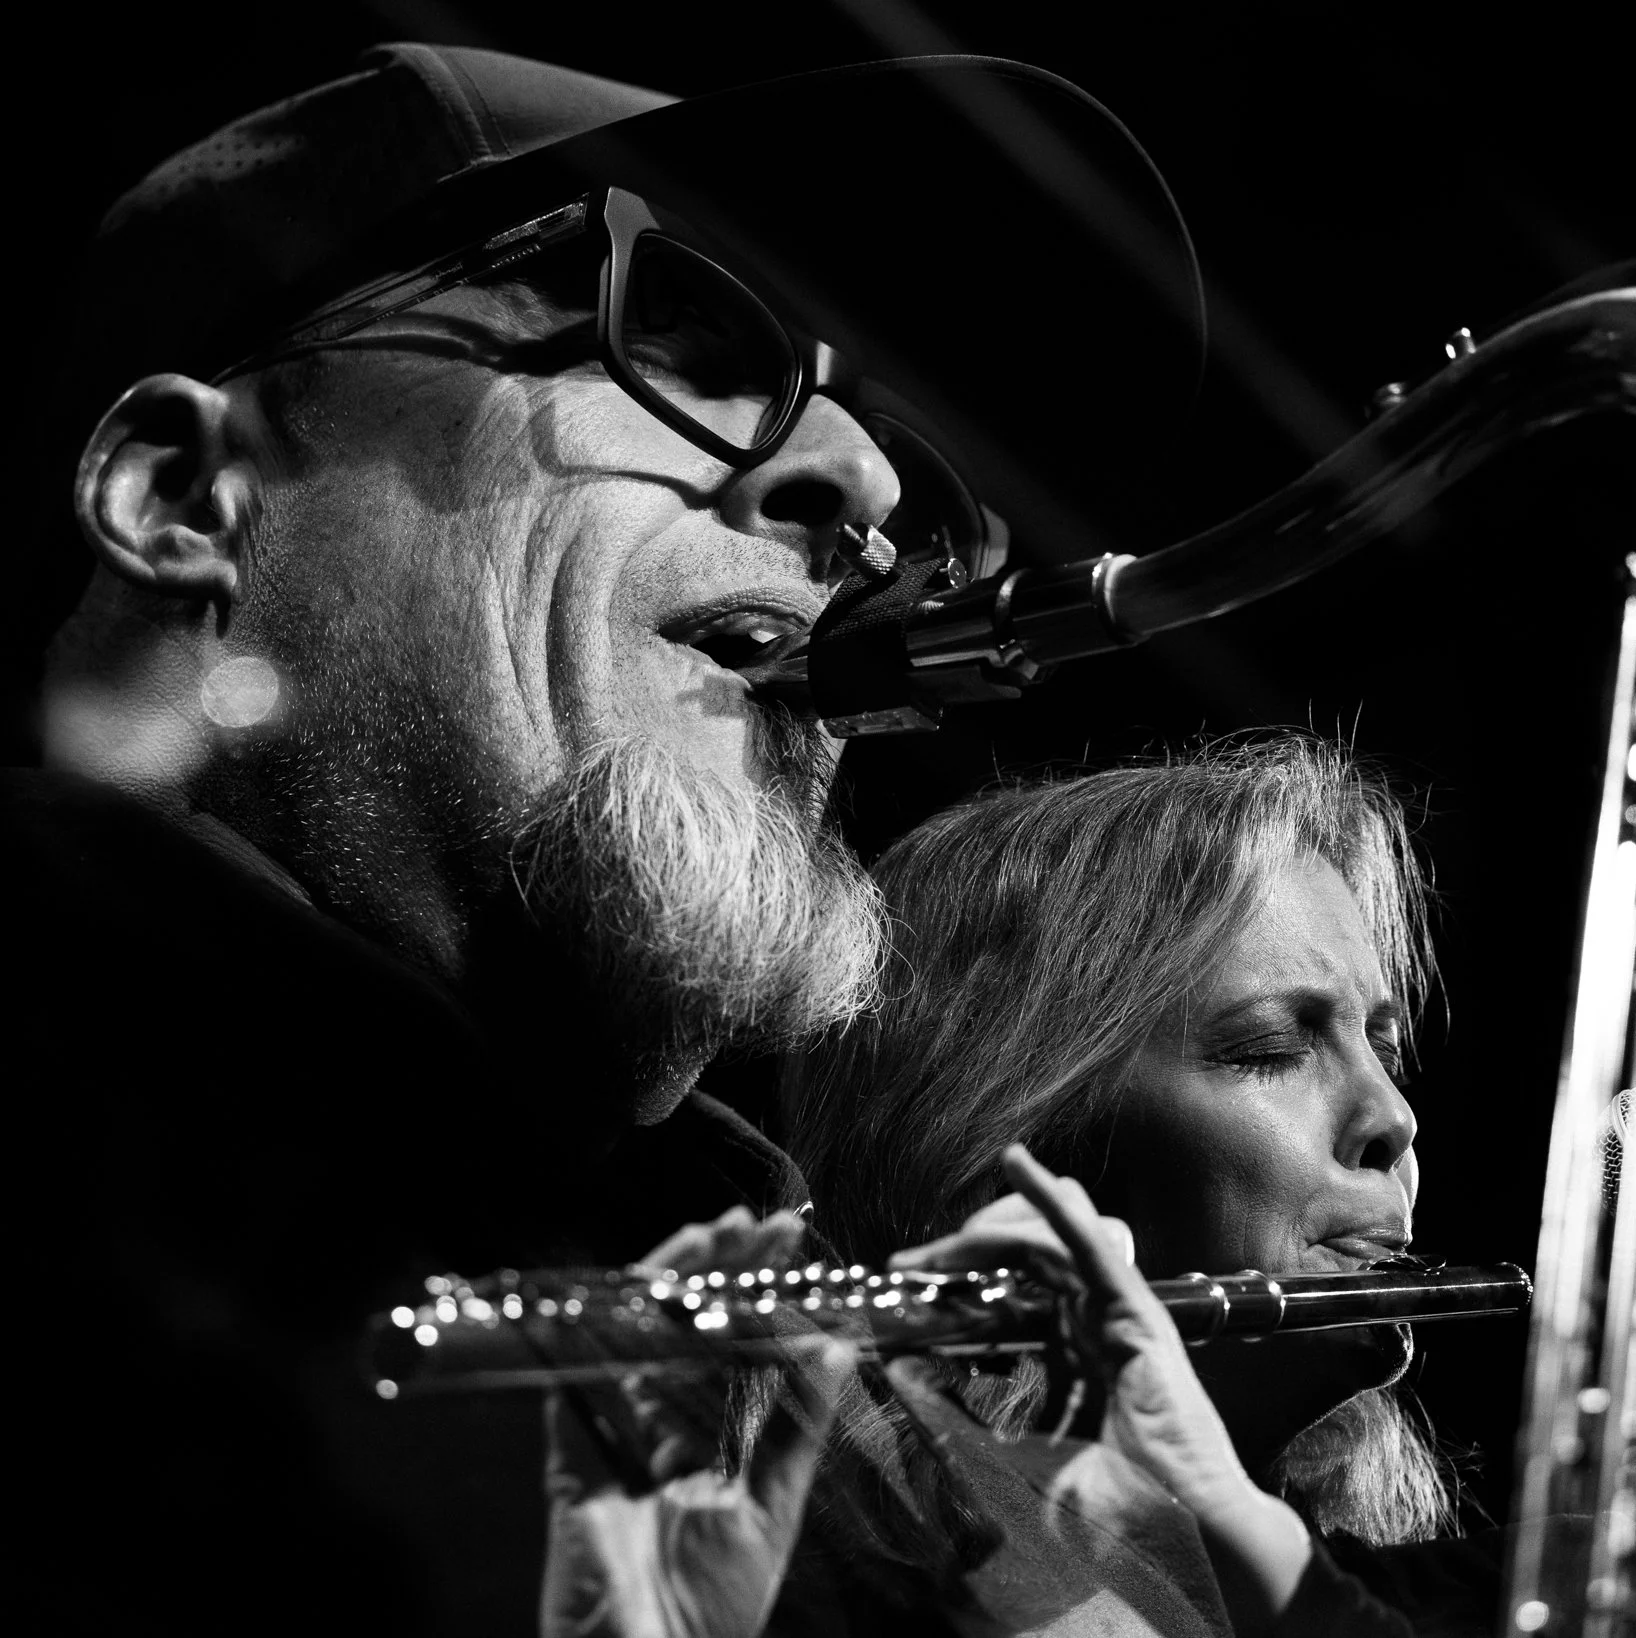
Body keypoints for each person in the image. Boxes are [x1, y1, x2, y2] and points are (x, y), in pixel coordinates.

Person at [4, 40, 1201, 1637]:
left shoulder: (777, 1356)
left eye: (889, 444)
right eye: (689, 332)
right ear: (180, 499)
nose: (867, 492)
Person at [780, 739, 1636, 1637]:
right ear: (1012, 1145)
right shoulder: (801, 1549)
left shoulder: (1465, 1601)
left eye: (1380, 1043)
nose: (1391, 1120)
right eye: (1272, 1049)